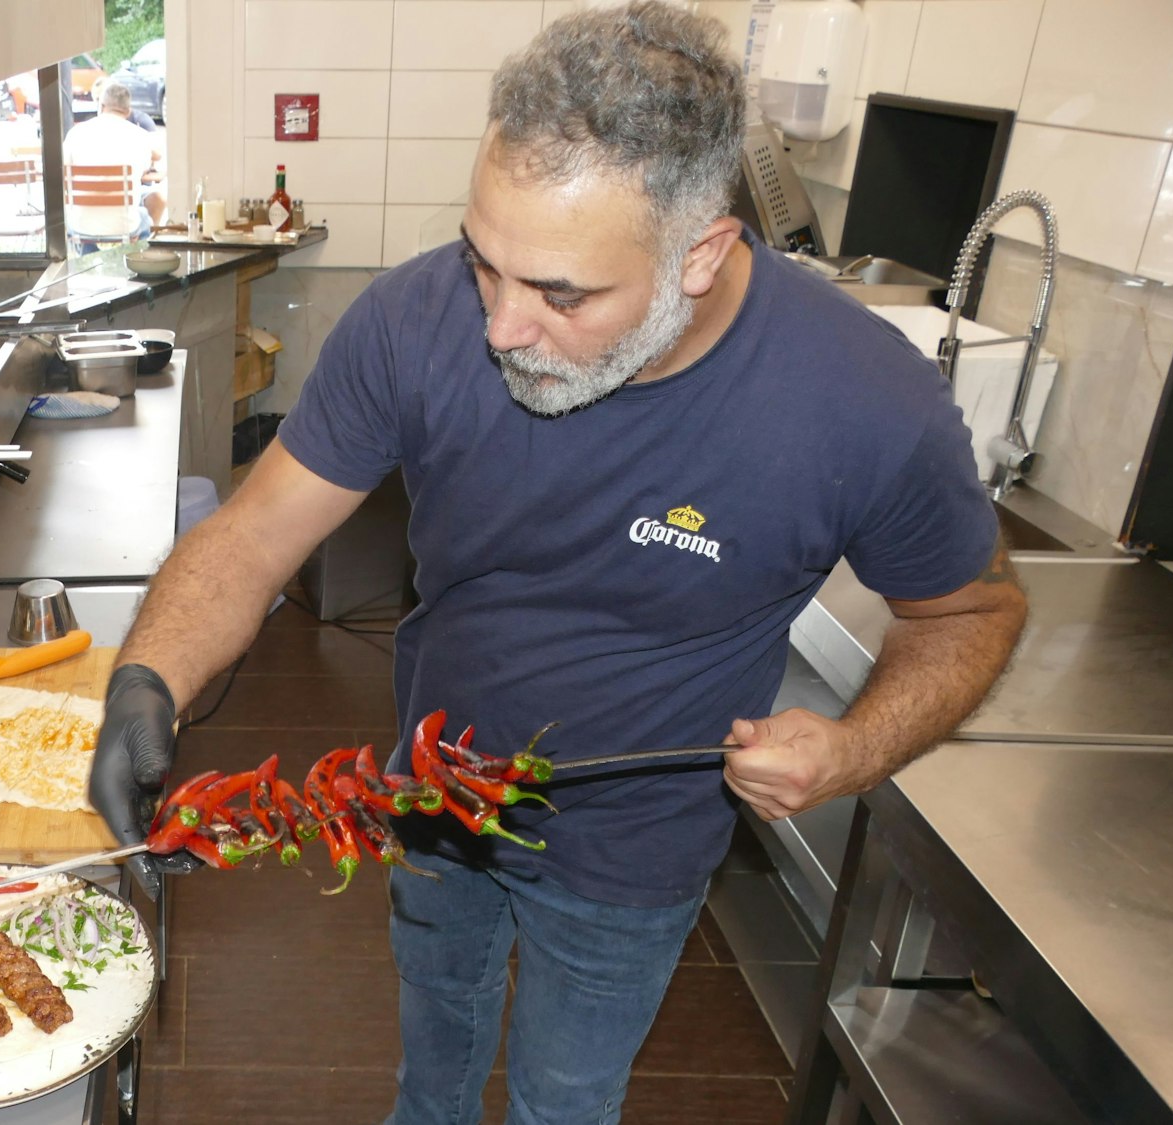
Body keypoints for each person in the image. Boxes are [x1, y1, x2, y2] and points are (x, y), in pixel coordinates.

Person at [89, 3, 1027, 1123]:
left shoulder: (862, 403)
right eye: (485, 264)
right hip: (432, 801)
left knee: (561, 1102)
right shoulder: (413, 319)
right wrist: (146, 681)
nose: (498, 326)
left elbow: (968, 613)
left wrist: (854, 747)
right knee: (429, 1073)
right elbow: (249, 536)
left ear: (702, 253)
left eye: (559, 294)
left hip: (632, 858)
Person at [61, 81, 165, 247]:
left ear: (101, 106)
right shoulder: (139, 136)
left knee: (86, 224)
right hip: (124, 227)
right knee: (144, 217)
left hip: (80, 226)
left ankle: (88, 265)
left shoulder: (75, 133)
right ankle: (134, 262)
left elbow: (63, 171)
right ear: (128, 110)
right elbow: (148, 165)